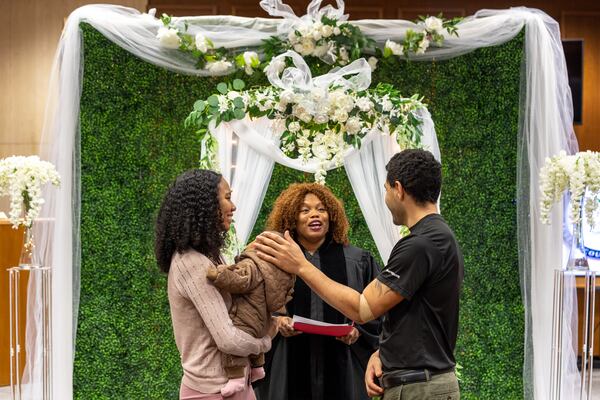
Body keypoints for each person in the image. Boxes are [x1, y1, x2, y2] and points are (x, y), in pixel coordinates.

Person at [255, 149, 464, 400]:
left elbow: (364, 308)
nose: (386, 198)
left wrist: (301, 266)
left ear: (398, 189)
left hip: (419, 386)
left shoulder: (419, 245)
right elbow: (414, 317)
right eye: (304, 210)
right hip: (414, 380)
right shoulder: (437, 236)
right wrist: (381, 354)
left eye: (386, 189)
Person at [253, 183, 381, 400]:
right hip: (287, 365)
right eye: (305, 210)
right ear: (292, 218)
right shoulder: (275, 259)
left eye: (321, 209)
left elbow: (377, 310)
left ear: (331, 216)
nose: (315, 215)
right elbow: (254, 306)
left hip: (344, 364)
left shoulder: (358, 260)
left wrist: (358, 331)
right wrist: (277, 321)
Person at [155, 169, 273, 400]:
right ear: (206, 206)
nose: (234, 206)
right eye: (227, 197)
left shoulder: (210, 257)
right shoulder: (193, 263)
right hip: (210, 392)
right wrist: (265, 341)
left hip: (232, 386)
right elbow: (228, 338)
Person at [206, 237, 295, 397]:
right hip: (263, 321)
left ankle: (236, 378)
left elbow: (240, 280)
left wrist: (218, 274)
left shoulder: (252, 265)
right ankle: (258, 368)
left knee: (233, 348)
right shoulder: (280, 272)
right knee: (257, 340)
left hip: (246, 318)